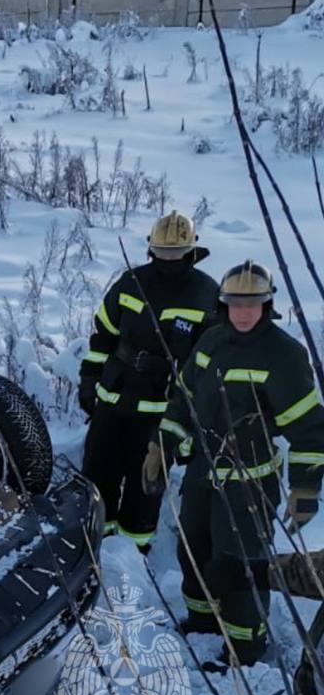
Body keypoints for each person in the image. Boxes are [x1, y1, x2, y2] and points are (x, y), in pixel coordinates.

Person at [145, 260, 324, 665]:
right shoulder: (211, 342)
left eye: (253, 303)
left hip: (249, 484)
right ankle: (204, 620)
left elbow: (310, 431)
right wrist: (162, 444)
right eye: (235, 303)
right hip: (201, 474)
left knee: (242, 565)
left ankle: (245, 645)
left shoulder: (285, 355)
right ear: (224, 304)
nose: (243, 312)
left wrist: (306, 489)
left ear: (267, 305)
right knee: (194, 548)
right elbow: (184, 399)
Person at [79, 210, 220, 552]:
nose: (168, 259)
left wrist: (188, 428)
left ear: (191, 250)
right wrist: (88, 378)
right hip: (114, 399)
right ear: (150, 249)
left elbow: (207, 367)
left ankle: (134, 554)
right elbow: (103, 336)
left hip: (162, 411)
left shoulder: (206, 294)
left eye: (175, 253)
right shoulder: (130, 282)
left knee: (146, 487)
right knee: (98, 476)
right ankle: (96, 543)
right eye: (162, 252)